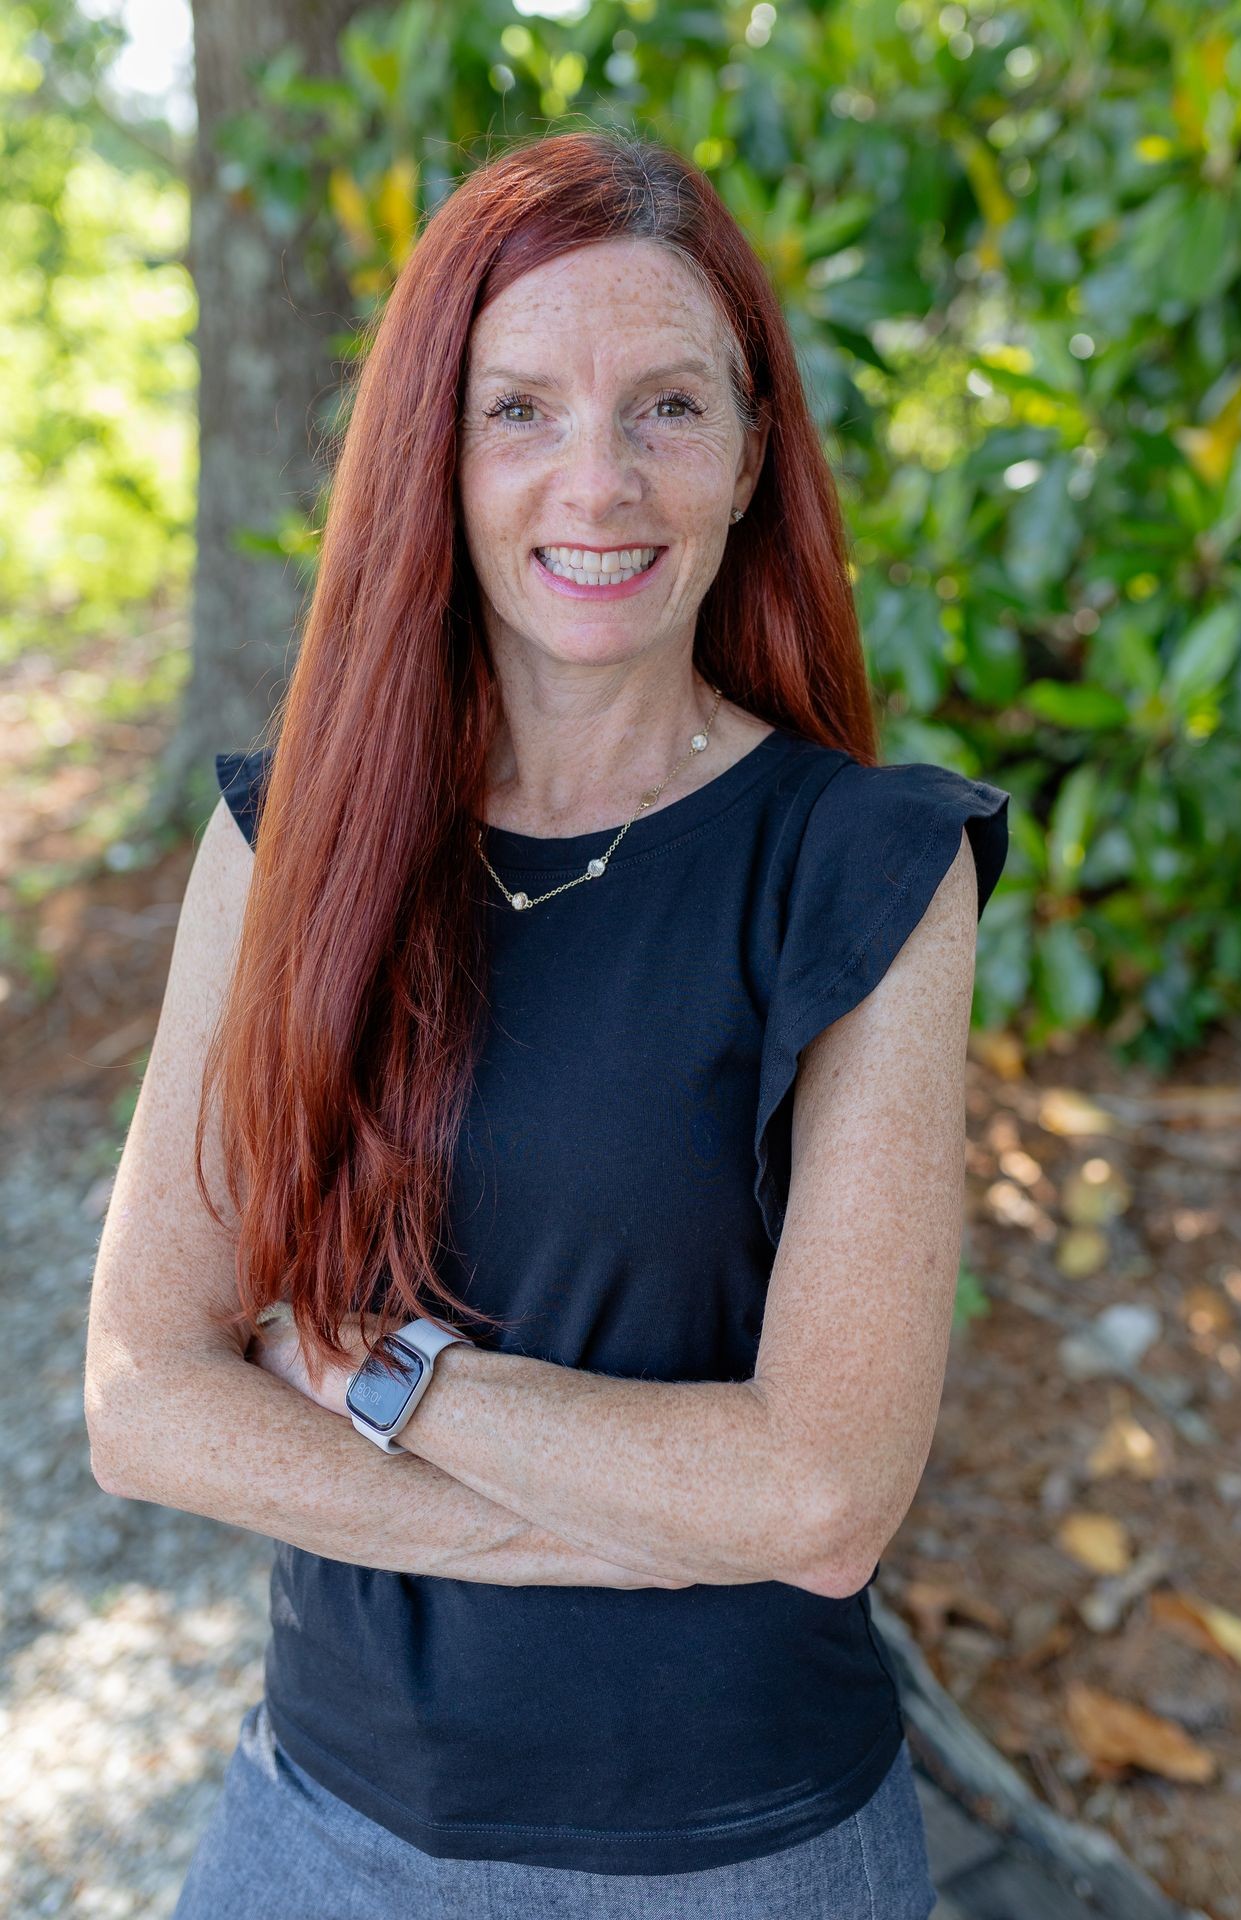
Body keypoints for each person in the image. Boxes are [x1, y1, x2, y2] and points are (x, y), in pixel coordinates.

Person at [85, 128, 1010, 1918]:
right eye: (520, 410)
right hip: (321, 1829)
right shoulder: (288, 843)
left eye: (667, 407)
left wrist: (381, 1375)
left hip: (743, 1856)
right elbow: (143, 1400)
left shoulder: (869, 868)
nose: (599, 480)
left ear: (751, 456)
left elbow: (820, 1493)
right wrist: (608, 1537)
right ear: (435, 453)